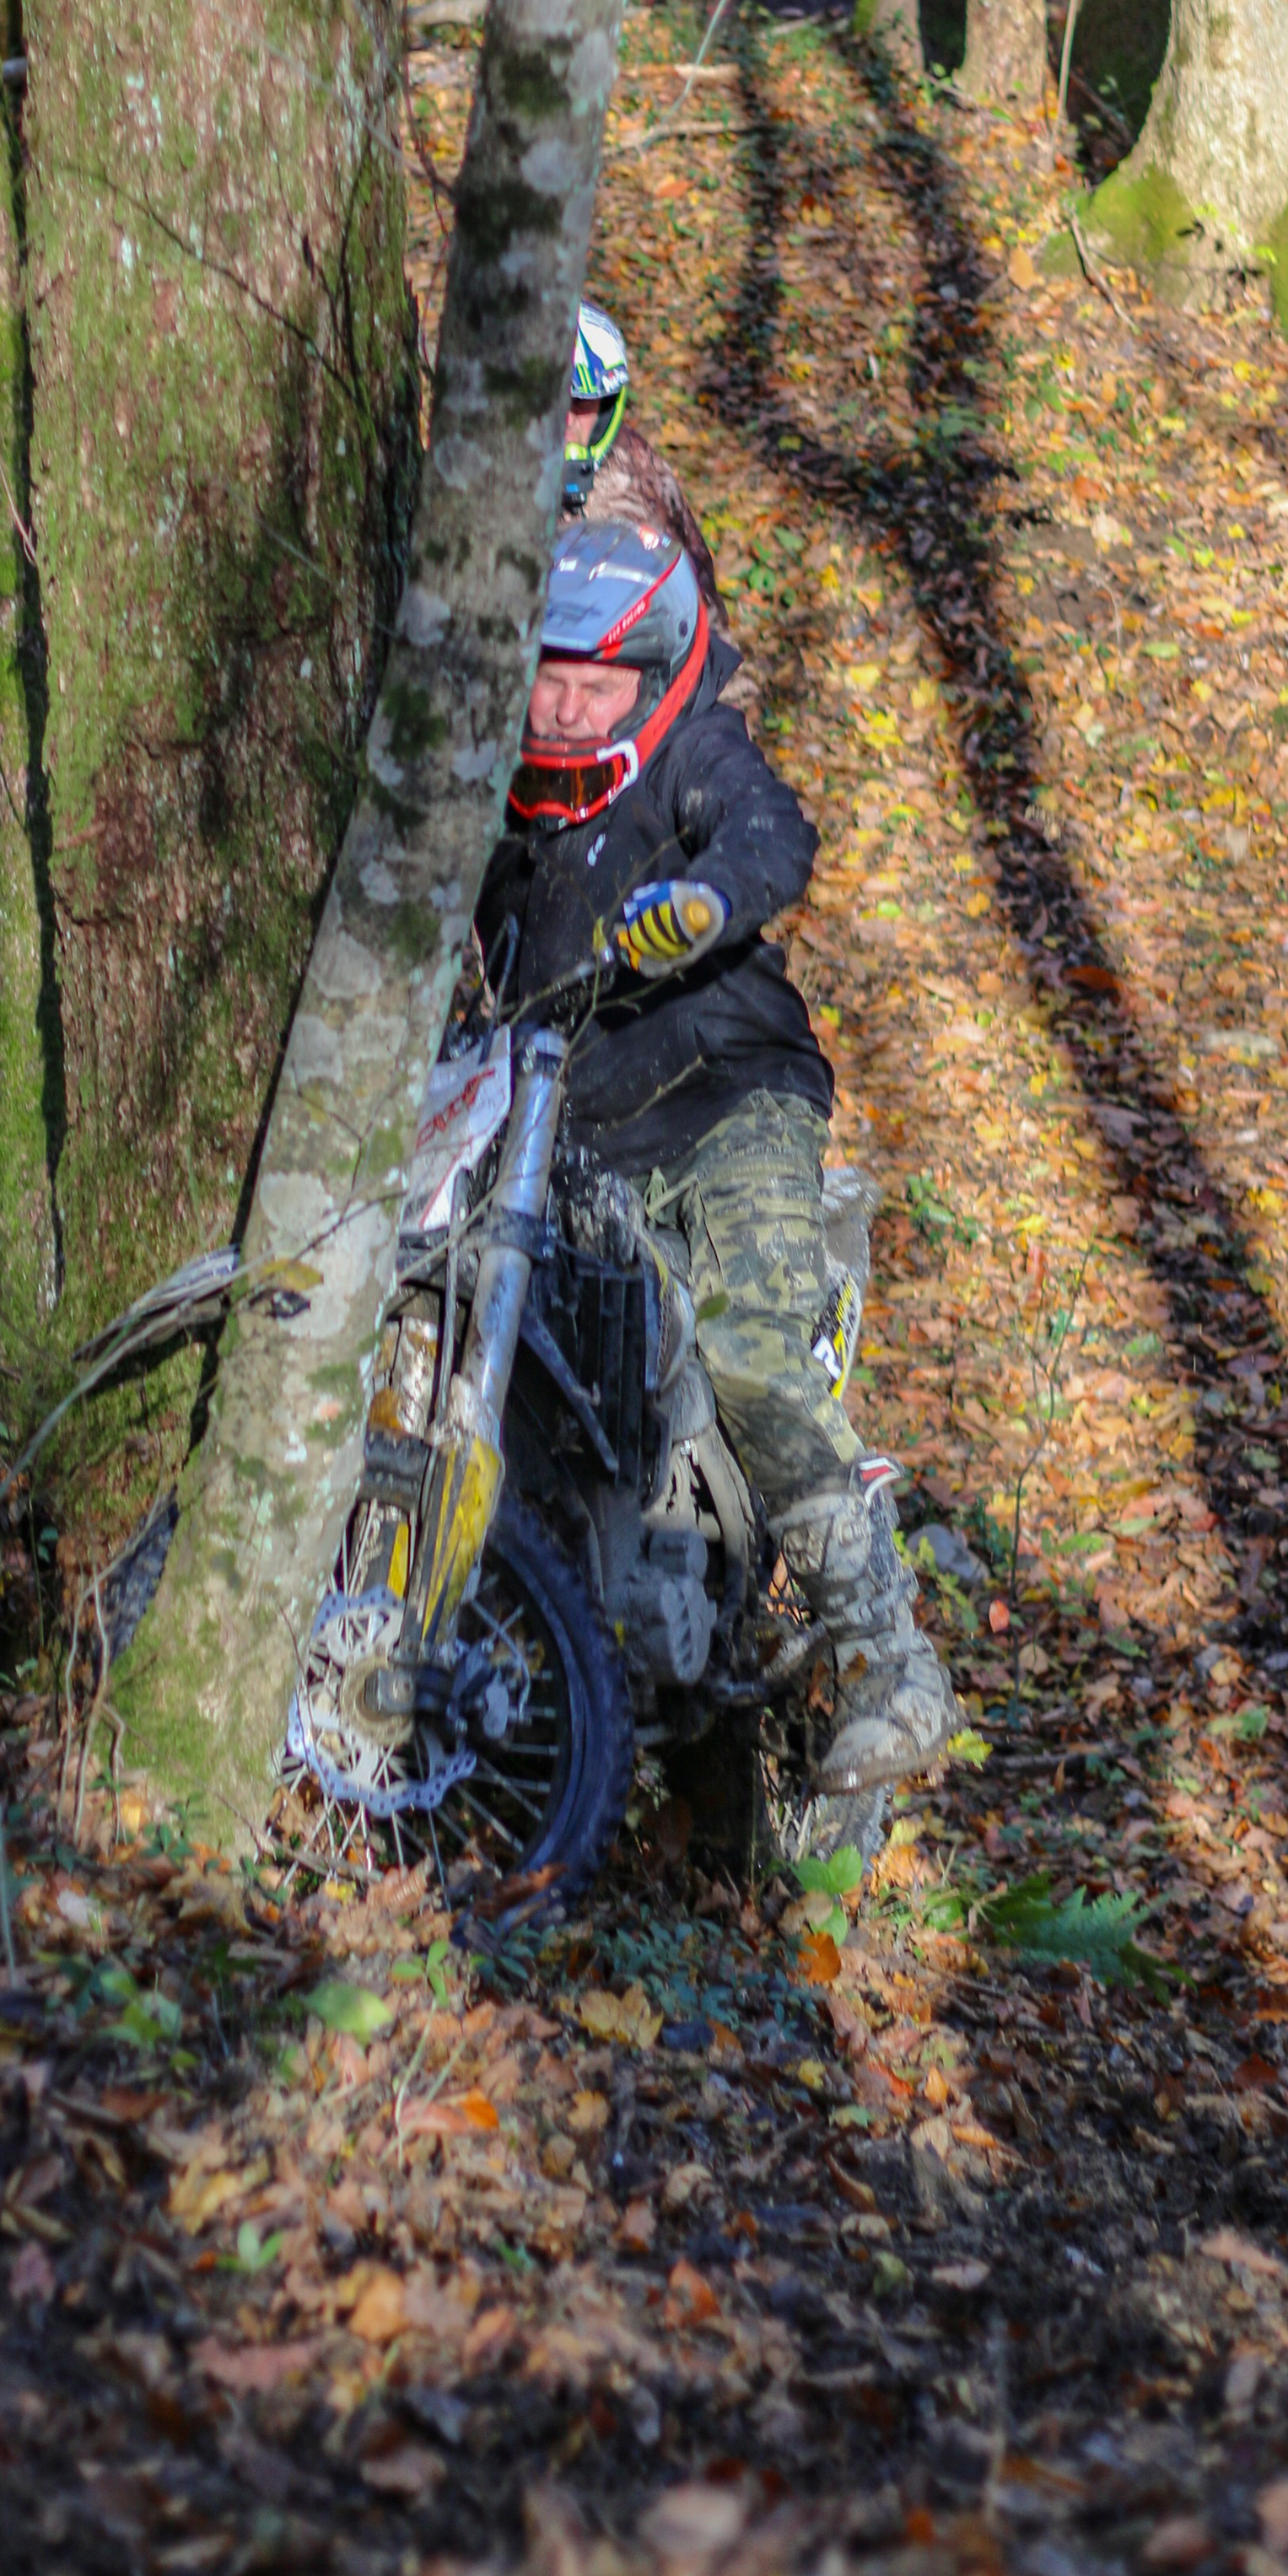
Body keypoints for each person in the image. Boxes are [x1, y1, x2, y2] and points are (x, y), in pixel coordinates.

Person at [477, 516, 957, 1801]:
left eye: (598, 685)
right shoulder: (492, 820)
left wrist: (703, 901)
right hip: (572, 1151)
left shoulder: (692, 756)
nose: (571, 711)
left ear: (652, 679)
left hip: (730, 1102)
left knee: (749, 1352)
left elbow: (770, 835)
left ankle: (889, 1655)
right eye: (552, 679)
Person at [565, 301, 728, 644]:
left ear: (607, 406)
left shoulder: (636, 470)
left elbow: (699, 607)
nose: (565, 421)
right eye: (549, 403)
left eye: (581, 404)